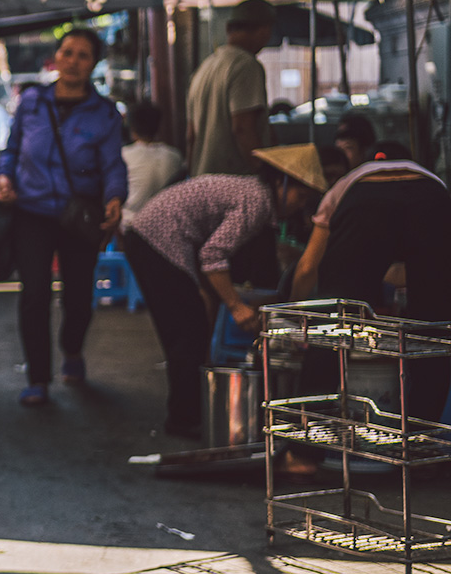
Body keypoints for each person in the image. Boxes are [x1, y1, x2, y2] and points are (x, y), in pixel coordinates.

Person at [122, 145, 326, 439]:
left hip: (156, 237)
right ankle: (183, 419)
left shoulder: (255, 195)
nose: (299, 205)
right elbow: (213, 255)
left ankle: (189, 413)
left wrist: (219, 298)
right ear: (280, 184)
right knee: (187, 333)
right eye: (300, 196)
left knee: (189, 330)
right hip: (157, 240)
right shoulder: (257, 201)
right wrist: (236, 306)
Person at [0, 29, 127, 406]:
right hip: (31, 212)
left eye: (83, 55)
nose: (73, 61)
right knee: (34, 293)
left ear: (93, 64)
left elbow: (113, 165)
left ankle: (72, 349)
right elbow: (11, 149)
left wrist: (115, 197)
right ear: (56, 56)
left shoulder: (104, 114)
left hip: (78, 215)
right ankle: (38, 378)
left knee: (79, 296)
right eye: (67, 52)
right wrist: (4, 177)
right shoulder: (32, 101)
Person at [288, 143, 451, 437]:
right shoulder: (432, 182)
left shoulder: (349, 183)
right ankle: (420, 439)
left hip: (364, 203)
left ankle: (304, 450)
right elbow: (418, 273)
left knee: (334, 316)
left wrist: (293, 314)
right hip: (433, 202)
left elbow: (308, 267)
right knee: (435, 328)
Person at [186, 0, 275, 176]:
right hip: (235, 180)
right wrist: (264, 172)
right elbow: (242, 128)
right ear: (264, 30)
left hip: (202, 179)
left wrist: (192, 174)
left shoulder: (205, 67)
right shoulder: (245, 64)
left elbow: (190, 135)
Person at [120, 99, 183, 230]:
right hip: (167, 226)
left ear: (132, 129)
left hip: (133, 226)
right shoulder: (175, 155)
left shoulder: (124, 155)